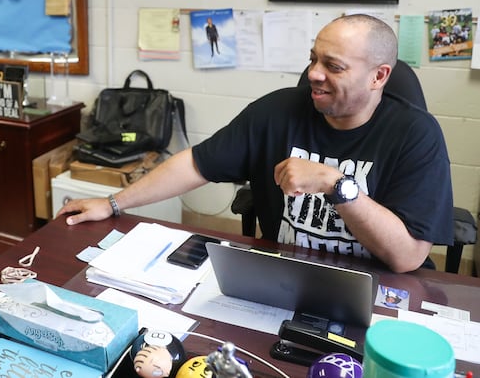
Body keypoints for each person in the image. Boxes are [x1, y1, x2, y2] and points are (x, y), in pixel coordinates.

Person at [58, 14, 454, 274]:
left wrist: (337, 185)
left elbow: (407, 257)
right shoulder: (276, 111)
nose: (313, 74)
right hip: (285, 275)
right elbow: (195, 164)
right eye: (313, 59)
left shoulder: (416, 134)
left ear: (378, 76)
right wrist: (112, 203)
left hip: (376, 285)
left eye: (333, 67)